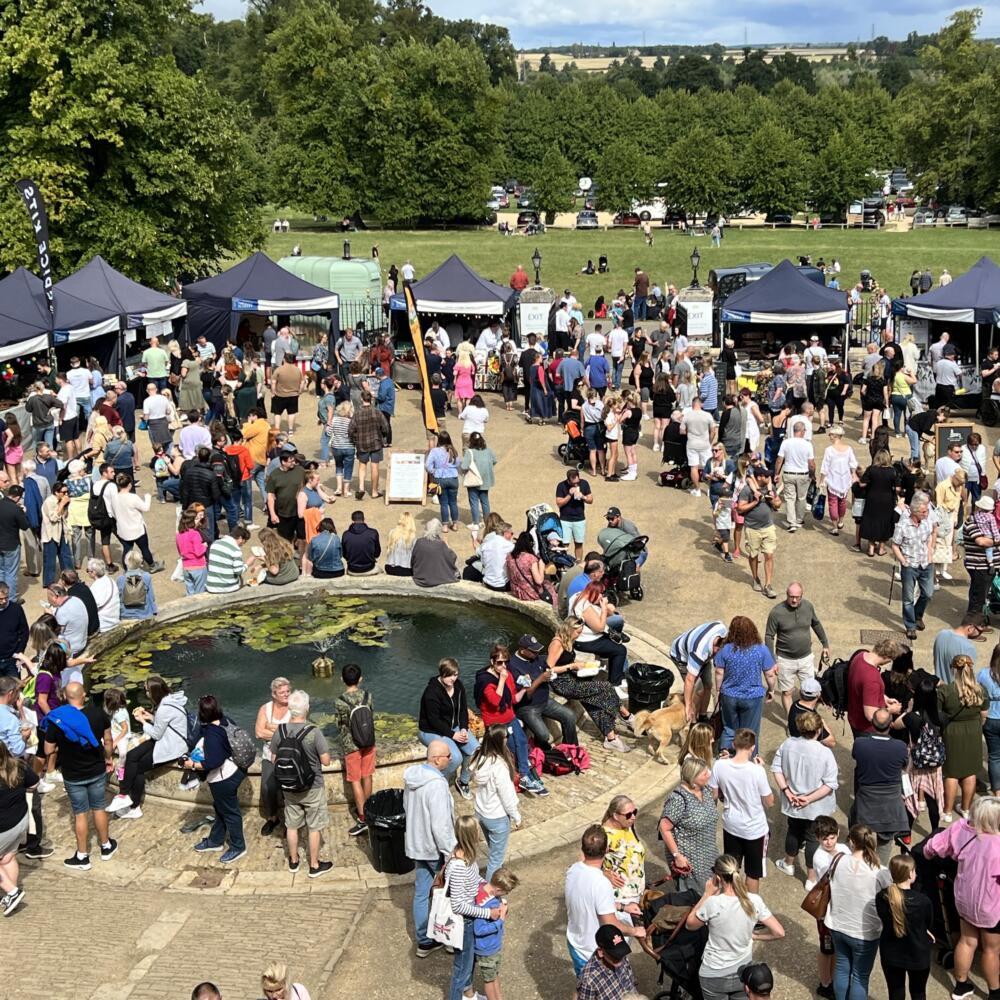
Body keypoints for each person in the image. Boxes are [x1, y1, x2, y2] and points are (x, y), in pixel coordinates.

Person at [924, 796, 1000, 1000]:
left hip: (964, 899)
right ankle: (995, 992)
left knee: (967, 942)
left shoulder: (961, 829)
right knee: (991, 950)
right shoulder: (998, 843)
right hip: (992, 906)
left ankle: (960, 986)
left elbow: (931, 848)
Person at [685, 853, 785, 1000]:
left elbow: (690, 925)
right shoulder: (754, 900)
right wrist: (755, 936)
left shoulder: (713, 903)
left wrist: (706, 894)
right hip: (743, 972)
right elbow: (779, 932)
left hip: (714, 974)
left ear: (718, 877)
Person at [42, 680, 115, 870]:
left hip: (73, 774)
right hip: (96, 769)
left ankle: (82, 856)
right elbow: (108, 741)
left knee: (80, 814)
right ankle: (106, 846)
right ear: (83, 695)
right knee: (99, 807)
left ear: (66, 697)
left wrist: (62, 745)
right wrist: (108, 758)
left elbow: (48, 749)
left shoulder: (58, 719)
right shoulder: (98, 714)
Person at [819, 823, 891, 1000]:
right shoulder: (881, 872)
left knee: (841, 968)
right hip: (865, 933)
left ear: (851, 842)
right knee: (860, 976)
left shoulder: (837, 861)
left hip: (837, 925)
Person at [565, 825, 646, 975]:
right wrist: (635, 931)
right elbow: (611, 923)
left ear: (583, 848)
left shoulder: (573, 870)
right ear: (607, 850)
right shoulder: (601, 883)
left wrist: (622, 907)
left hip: (575, 942)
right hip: (591, 951)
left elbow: (590, 900)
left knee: (582, 984)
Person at [269, 689, 333, 878]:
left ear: (290, 709)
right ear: (307, 708)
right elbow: (326, 761)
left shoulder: (280, 731)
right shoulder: (314, 732)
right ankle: (314, 865)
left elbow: (273, 758)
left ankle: (294, 861)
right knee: (314, 827)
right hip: (313, 786)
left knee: (292, 825)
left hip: (289, 788)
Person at [404, 740, 457, 958]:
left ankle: (424, 941)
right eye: (447, 756)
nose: (451, 759)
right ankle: (449, 938)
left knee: (421, 892)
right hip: (434, 848)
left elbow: (406, 807)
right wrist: (450, 852)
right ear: (436, 759)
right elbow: (441, 824)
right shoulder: (436, 784)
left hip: (417, 844)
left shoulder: (412, 778)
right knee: (447, 893)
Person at [108, 675, 188, 820]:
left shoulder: (164, 708)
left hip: (171, 746)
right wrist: (150, 717)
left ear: (154, 692)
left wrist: (142, 721)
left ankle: (134, 806)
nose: (146, 693)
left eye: (147, 690)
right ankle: (124, 795)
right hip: (166, 739)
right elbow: (164, 723)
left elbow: (156, 733)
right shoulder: (170, 700)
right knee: (132, 756)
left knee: (137, 767)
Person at [771, 710, 839, 882]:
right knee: (813, 838)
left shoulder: (787, 744)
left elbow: (776, 769)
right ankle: (811, 878)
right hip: (816, 806)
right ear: (818, 730)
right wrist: (808, 799)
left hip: (792, 801)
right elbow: (829, 784)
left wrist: (787, 792)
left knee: (793, 831)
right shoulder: (825, 752)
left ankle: (788, 863)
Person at [545, 619, 634, 746]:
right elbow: (548, 669)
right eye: (578, 632)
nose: (579, 635)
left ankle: (611, 737)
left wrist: (582, 665)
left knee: (592, 700)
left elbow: (566, 660)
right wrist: (571, 666)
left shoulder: (569, 640)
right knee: (606, 687)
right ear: (569, 629)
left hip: (572, 676)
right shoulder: (557, 643)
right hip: (562, 683)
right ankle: (626, 715)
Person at [183, 694, 247, 864]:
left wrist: (192, 765)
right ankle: (215, 840)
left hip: (223, 778)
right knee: (220, 808)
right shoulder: (226, 721)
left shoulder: (212, 734)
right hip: (237, 769)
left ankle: (238, 847)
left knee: (231, 812)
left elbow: (214, 762)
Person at [708, 728, 773, 893]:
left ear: (733, 744)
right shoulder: (757, 771)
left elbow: (714, 794)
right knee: (753, 873)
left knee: (730, 870)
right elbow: (769, 802)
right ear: (752, 747)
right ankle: (750, 905)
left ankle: (729, 901)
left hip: (731, 825)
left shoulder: (719, 765)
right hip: (754, 829)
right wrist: (761, 769)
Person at [852, 709, 910, 861]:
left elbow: (856, 757)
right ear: (891, 724)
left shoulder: (860, 744)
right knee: (884, 848)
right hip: (890, 806)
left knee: (863, 844)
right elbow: (905, 765)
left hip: (866, 803)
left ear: (872, 723)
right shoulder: (900, 747)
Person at [875, 853, 934, 1000]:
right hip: (918, 954)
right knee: (918, 993)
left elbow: (884, 918)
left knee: (896, 992)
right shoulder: (922, 901)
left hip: (891, 953)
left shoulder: (882, 897)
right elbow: (928, 922)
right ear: (910, 874)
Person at [764, 583, 831, 713]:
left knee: (811, 690)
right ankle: (791, 720)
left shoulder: (808, 607)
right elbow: (769, 636)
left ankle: (808, 717)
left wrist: (825, 644)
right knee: (787, 692)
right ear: (786, 595)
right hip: (785, 660)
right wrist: (772, 661)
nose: (794, 600)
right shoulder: (776, 612)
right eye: (791, 597)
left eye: (797, 597)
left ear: (802, 596)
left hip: (806, 658)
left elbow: (816, 624)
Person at [714, 616, 777, 752]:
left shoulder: (725, 649)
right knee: (750, 732)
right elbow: (770, 674)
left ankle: (725, 756)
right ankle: (749, 759)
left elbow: (719, 672)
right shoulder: (762, 650)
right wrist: (771, 690)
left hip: (729, 696)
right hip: (752, 697)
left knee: (729, 729)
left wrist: (718, 690)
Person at [938, 654, 988, 822]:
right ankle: (966, 809)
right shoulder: (980, 690)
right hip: (973, 732)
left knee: (951, 772)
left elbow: (938, 715)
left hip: (952, 732)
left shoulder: (945, 690)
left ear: (954, 669)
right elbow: (984, 714)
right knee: (970, 772)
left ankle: (947, 811)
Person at [658, 756, 719, 893]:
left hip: (709, 855)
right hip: (690, 861)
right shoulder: (678, 799)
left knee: (712, 893)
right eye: (705, 773)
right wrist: (677, 856)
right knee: (696, 898)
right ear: (693, 777)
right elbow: (664, 828)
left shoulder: (705, 790)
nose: (709, 775)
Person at [509, 633, 578, 747]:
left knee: (570, 716)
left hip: (545, 700)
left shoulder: (536, 658)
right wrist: (540, 679)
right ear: (523, 650)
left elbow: (546, 668)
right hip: (527, 707)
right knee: (544, 735)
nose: (537, 654)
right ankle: (542, 753)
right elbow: (525, 695)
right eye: (534, 651)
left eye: (538, 651)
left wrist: (550, 675)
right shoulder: (513, 666)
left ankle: (570, 748)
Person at [334, 663, 375, 837]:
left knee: (355, 780)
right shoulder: (368, 696)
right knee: (367, 775)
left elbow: (339, 724)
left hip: (351, 745)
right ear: (360, 679)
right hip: (369, 741)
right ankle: (369, 811)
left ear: (342, 679)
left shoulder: (339, 701)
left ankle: (362, 818)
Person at [891, 492, 937, 640]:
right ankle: (910, 626)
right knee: (908, 598)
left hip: (925, 564)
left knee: (928, 594)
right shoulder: (903, 526)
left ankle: (917, 615)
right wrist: (903, 561)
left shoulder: (926, 523)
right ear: (915, 512)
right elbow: (895, 545)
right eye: (924, 512)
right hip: (910, 565)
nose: (926, 514)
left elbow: (929, 537)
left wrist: (930, 554)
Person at [0, 738, 37, 915]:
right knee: (7, 858)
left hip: (2, 828)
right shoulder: (19, 766)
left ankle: (12, 891)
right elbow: (34, 784)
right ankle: (10, 895)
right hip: (20, 821)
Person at [568, 582, 628, 689]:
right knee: (620, 650)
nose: (602, 597)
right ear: (594, 592)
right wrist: (604, 608)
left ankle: (617, 675)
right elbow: (600, 628)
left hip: (580, 638)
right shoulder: (585, 606)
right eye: (601, 593)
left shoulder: (576, 596)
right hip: (586, 641)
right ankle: (615, 683)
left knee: (616, 644)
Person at [736, 463, 781, 598]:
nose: (769, 478)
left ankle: (768, 585)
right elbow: (740, 508)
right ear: (760, 477)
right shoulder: (747, 490)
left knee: (769, 555)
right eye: (766, 476)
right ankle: (755, 578)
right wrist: (755, 502)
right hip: (752, 529)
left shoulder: (770, 488)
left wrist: (772, 500)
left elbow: (778, 504)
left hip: (768, 527)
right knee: (753, 555)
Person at [670, 620, 727, 723]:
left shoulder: (722, 629)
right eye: (717, 653)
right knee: (696, 690)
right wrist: (688, 706)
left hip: (704, 657)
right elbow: (689, 680)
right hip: (681, 657)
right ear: (715, 646)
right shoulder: (699, 652)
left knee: (708, 685)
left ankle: (703, 715)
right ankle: (692, 720)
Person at [254, 676, 290, 838]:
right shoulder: (265, 709)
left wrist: (271, 727)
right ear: (274, 694)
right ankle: (272, 818)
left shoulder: (294, 708)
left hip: (289, 756)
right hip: (269, 755)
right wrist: (282, 731)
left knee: (289, 789)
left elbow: (294, 733)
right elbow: (258, 733)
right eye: (282, 692)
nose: (286, 694)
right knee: (267, 788)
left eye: (288, 691)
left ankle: (291, 822)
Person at [846, 641, 904, 737]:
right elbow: (870, 715)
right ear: (886, 657)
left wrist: (884, 698)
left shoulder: (860, 655)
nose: (889, 662)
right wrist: (890, 710)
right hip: (866, 729)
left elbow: (863, 688)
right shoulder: (872, 679)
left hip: (854, 718)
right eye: (890, 660)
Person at [601, 795, 646, 918]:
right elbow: (585, 865)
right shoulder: (603, 836)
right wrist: (603, 873)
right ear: (615, 816)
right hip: (620, 899)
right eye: (628, 814)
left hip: (636, 894)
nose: (633, 817)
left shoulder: (628, 827)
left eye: (635, 812)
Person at [112, 475, 163, 572]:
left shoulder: (114, 498)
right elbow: (145, 508)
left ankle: (127, 570)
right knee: (144, 548)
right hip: (137, 528)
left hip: (123, 529)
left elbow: (113, 513)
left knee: (127, 550)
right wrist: (148, 498)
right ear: (129, 484)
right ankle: (152, 566)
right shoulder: (133, 497)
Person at [775, 423, 815, 532]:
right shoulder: (808, 444)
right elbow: (811, 464)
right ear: (802, 431)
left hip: (788, 473)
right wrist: (812, 474)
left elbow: (779, 460)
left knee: (790, 498)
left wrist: (776, 474)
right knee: (801, 498)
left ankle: (792, 523)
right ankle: (799, 519)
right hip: (803, 474)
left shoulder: (786, 442)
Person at [506, 530, 556, 608]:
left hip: (515, 590)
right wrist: (541, 566)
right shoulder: (530, 558)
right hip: (528, 594)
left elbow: (510, 575)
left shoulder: (510, 556)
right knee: (549, 586)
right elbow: (539, 581)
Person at [460, 432, 496, 530]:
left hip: (474, 481)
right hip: (485, 480)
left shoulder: (470, 452)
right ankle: (487, 523)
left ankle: (475, 523)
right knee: (485, 501)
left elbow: (464, 466)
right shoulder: (488, 451)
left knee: (474, 501)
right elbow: (494, 460)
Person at [555, 468, 592, 562]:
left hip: (579, 519)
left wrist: (583, 497)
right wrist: (569, 494)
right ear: (568, 480)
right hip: (565, 520)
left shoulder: (584, 483)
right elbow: (559, 503)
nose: (576, 484)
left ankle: (578, 563)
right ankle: (563, 564)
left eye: (577, 482)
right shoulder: (561, 485)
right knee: (564, 544)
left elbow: (590, 500)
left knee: (579, 543)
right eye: (573, 483)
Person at [411, 518, 459, 588]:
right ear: (438, 530)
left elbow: (413, 559)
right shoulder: (441, 544)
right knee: (457, 573)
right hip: (437, 579)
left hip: (420, 578)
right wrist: (447, 545)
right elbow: (452, 558)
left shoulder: (419, 542)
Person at [206, 524, 250, 594]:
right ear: (240, 538)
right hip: (227, 587)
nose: (243, 544)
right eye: (245, 541)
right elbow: (238, 571)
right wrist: (247, 564)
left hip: (211, 586)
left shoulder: (215, 543)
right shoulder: (235, 550)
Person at [0, 583, 28, 678]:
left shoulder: (16, 609)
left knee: (15, 686)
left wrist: (19, 653)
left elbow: (24, 632)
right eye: (0, 599)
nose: (4, 601)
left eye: (6, 598)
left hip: (12, 661)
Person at [342, 510, 380, 575]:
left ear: (352, 520)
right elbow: (377, 554)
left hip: (352, 569)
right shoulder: (373, 533)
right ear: (363, 519)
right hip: (370, 568)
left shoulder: (346, 534)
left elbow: (344, 555)